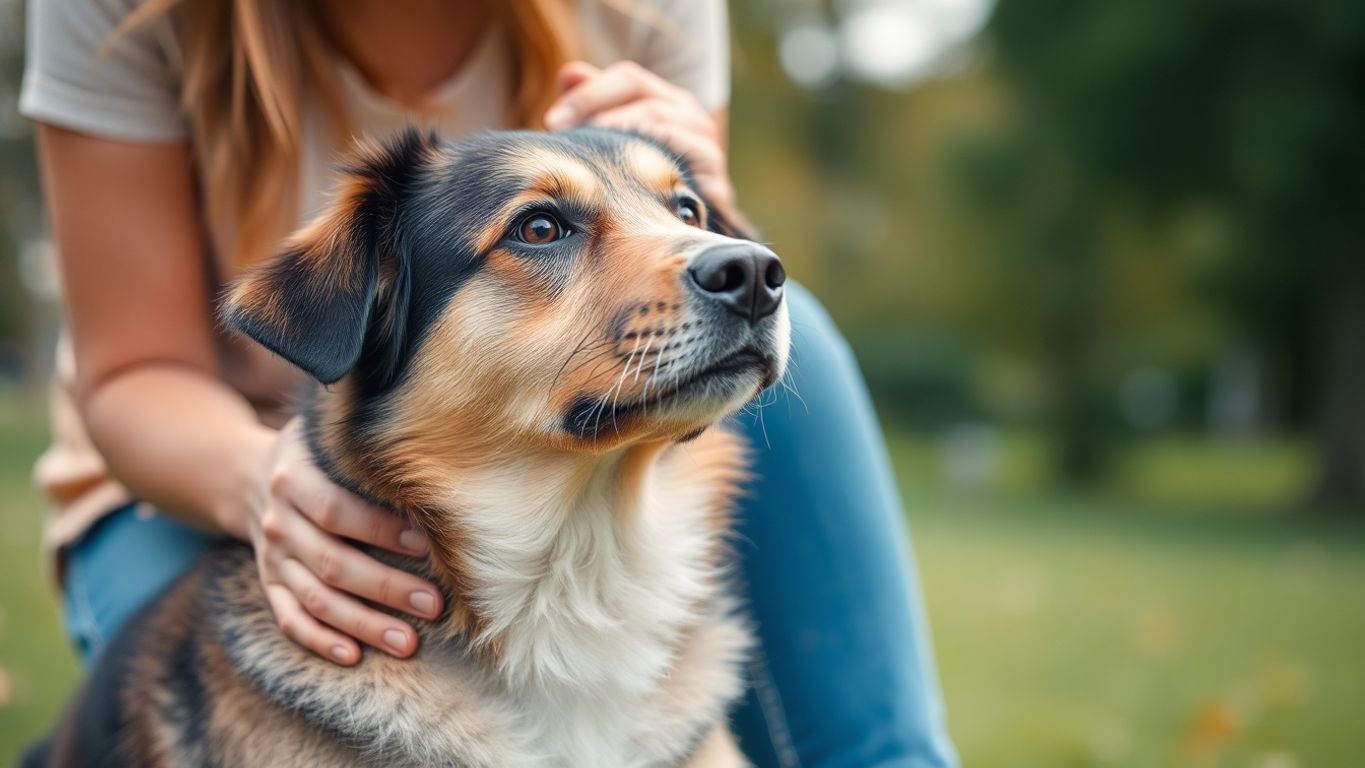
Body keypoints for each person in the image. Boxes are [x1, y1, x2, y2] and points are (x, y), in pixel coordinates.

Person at [20, 0, 957, 764]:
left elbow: (701, 252)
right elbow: (134, 366)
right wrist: (263, 480)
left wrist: (707, 198)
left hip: (621, 544)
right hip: (181, 468)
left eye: (677, 207)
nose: (735, 258)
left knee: (869, 743)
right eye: (542, 229)